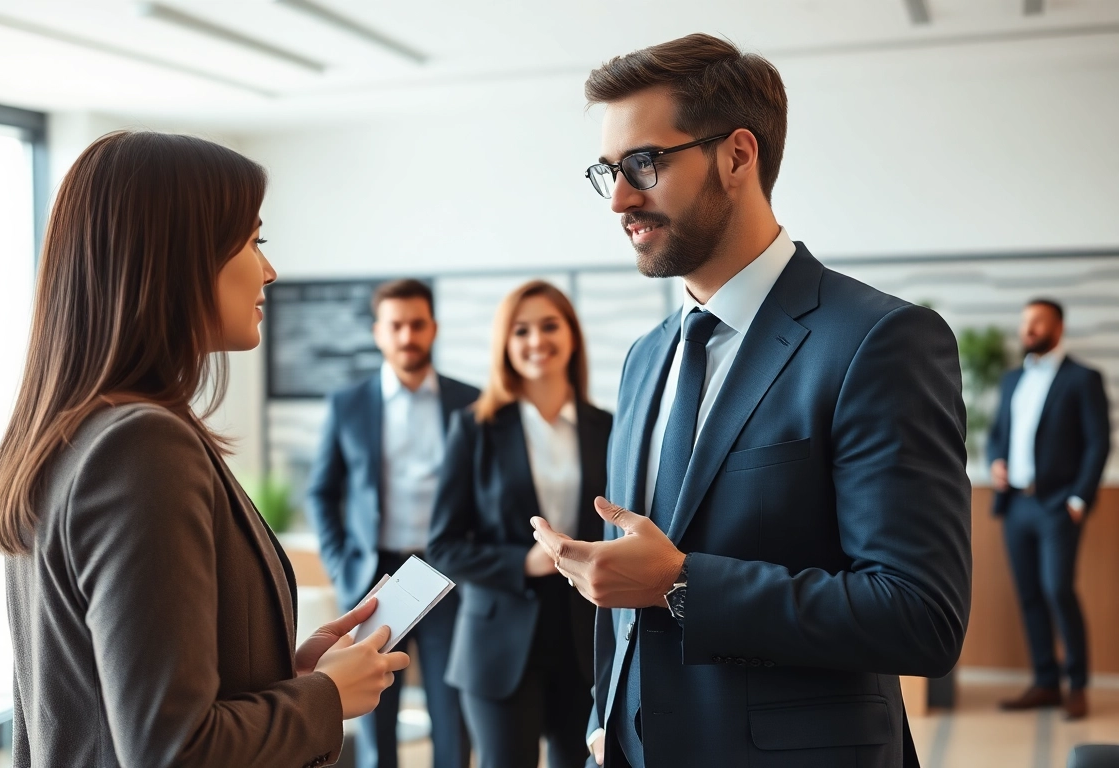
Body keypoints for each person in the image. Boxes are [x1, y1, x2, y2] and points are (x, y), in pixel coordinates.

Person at [531, 34, 972, 768]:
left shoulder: (880, 340)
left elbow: (920, 616)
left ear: (737, 156)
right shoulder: (646, 359)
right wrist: (606, 720)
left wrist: (680, 583)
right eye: (607, 170)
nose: (618, 199)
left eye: (644, 163)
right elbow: (627, 570)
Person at [0, 131, 409, 768]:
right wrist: (323, 700)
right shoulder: (138, 447)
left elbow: (122, 695)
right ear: (179, 255)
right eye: (254, 240)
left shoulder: (77, 432)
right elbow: (171, 750)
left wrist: (293, 675)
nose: (269, 269)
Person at [427, 280, 613, 768]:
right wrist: (523, 562)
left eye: (549, 326)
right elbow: (443, 546)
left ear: (571, 335)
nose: (536, 341)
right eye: (521, 330)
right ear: (505, 345)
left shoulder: (609, 428)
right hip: (497, 644)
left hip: (586, 639)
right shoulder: (474, 428)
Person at [307, 279, 475, 768]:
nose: (407, 336)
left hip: (446, 573)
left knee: (452, 714)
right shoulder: (348, 404)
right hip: (374, 578)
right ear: (379, 332)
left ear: (433, 329)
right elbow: (322, 492)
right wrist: (342, 566)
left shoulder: (469, 402)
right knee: (372, 711)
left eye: (417, 324)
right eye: (396, 325)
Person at [989, 298, 1111, 720]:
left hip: (1058, 506)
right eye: (1025, 322)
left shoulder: (1083, 378)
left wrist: (1079, 499)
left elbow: (1099, 442)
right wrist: (995, 463)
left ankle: (1077, 685)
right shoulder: (1010, 380)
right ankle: (1046, 683)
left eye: (1038, 322)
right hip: (1016, 505)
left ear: (1058, 327)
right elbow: (997, 434)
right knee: (1030, 596)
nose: (1029, 329)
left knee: (1058, 589)